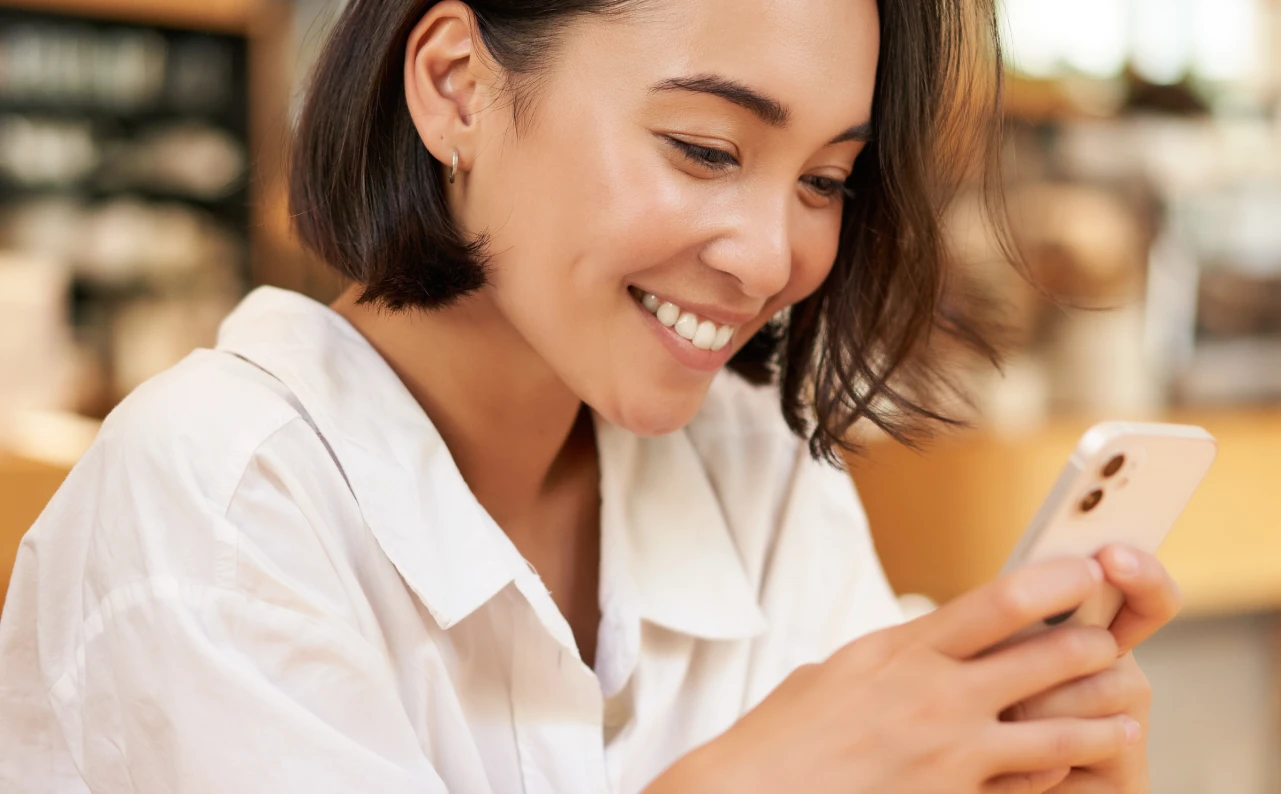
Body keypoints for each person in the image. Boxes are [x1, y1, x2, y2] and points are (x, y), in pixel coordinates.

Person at [0, 1, 1181, 792]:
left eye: (826, 178)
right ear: (456, 86)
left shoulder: (756, 478)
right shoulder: (217, 497)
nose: (772, 258)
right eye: (707, 150)